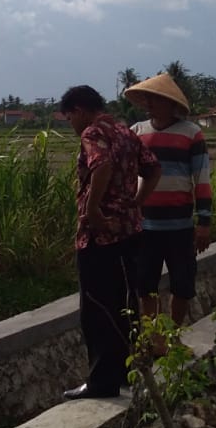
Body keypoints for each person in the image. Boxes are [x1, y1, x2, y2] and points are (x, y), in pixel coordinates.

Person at [59, 84, 161, 399]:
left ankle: (102, 382)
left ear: (77, 109)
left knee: (97, 308)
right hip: (130, 233)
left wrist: (92, 210)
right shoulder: (125, 132)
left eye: (69, 118)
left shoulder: (93, 134)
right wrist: (136, 203)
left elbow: (100, 165)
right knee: (125, 305)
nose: (73, 125)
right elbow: (154, 168)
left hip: (99, 237)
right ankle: (127, 374)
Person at [123, 72, 212, 327]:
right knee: (145, 285)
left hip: (180, 226)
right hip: (144, 226)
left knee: (182, 285)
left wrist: (204, 222)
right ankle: (153, 336)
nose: (150, 104)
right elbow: (127, 176)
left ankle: (172, 335)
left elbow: (202, 180)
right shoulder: (136, 133)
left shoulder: (192, 134)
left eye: (156, 99)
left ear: (170, 103)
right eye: (147, 100)